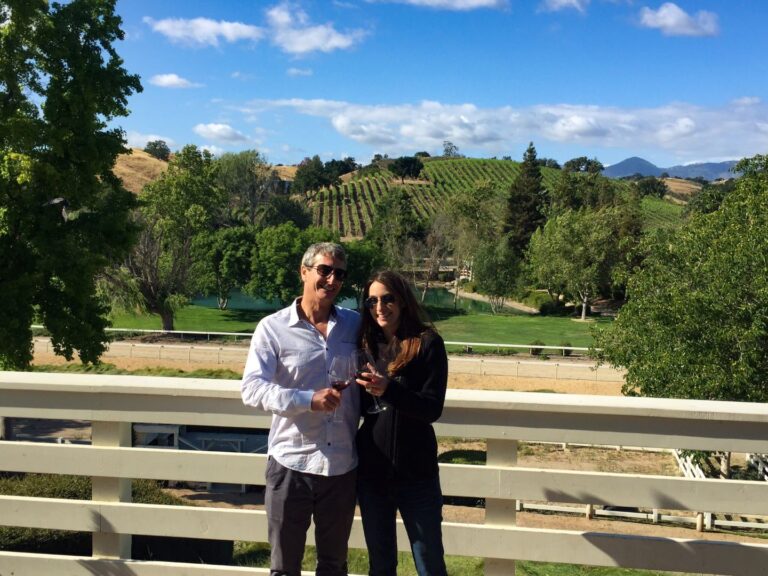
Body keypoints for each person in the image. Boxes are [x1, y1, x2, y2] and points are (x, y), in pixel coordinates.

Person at [241, 242, 360, 576]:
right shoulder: (272, 328)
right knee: (284, 568)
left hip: (341, 467)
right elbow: (252, 389)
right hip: (290, 464)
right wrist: (308, 400)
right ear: (304, 271)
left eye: (339, 273)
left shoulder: (354, 325)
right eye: (324, 270)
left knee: (334, 566)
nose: (332, 279)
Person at [355, 270, 449, 576]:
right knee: (381, 567)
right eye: (372, 300)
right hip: (373, 476)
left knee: (430, 566)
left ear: (403, 301)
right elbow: (359, 409)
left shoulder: (428, 344)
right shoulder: (365, 346)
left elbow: (432, 409)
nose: (379, 307)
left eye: (387, 299)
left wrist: (390, 390)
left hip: (417, 477)